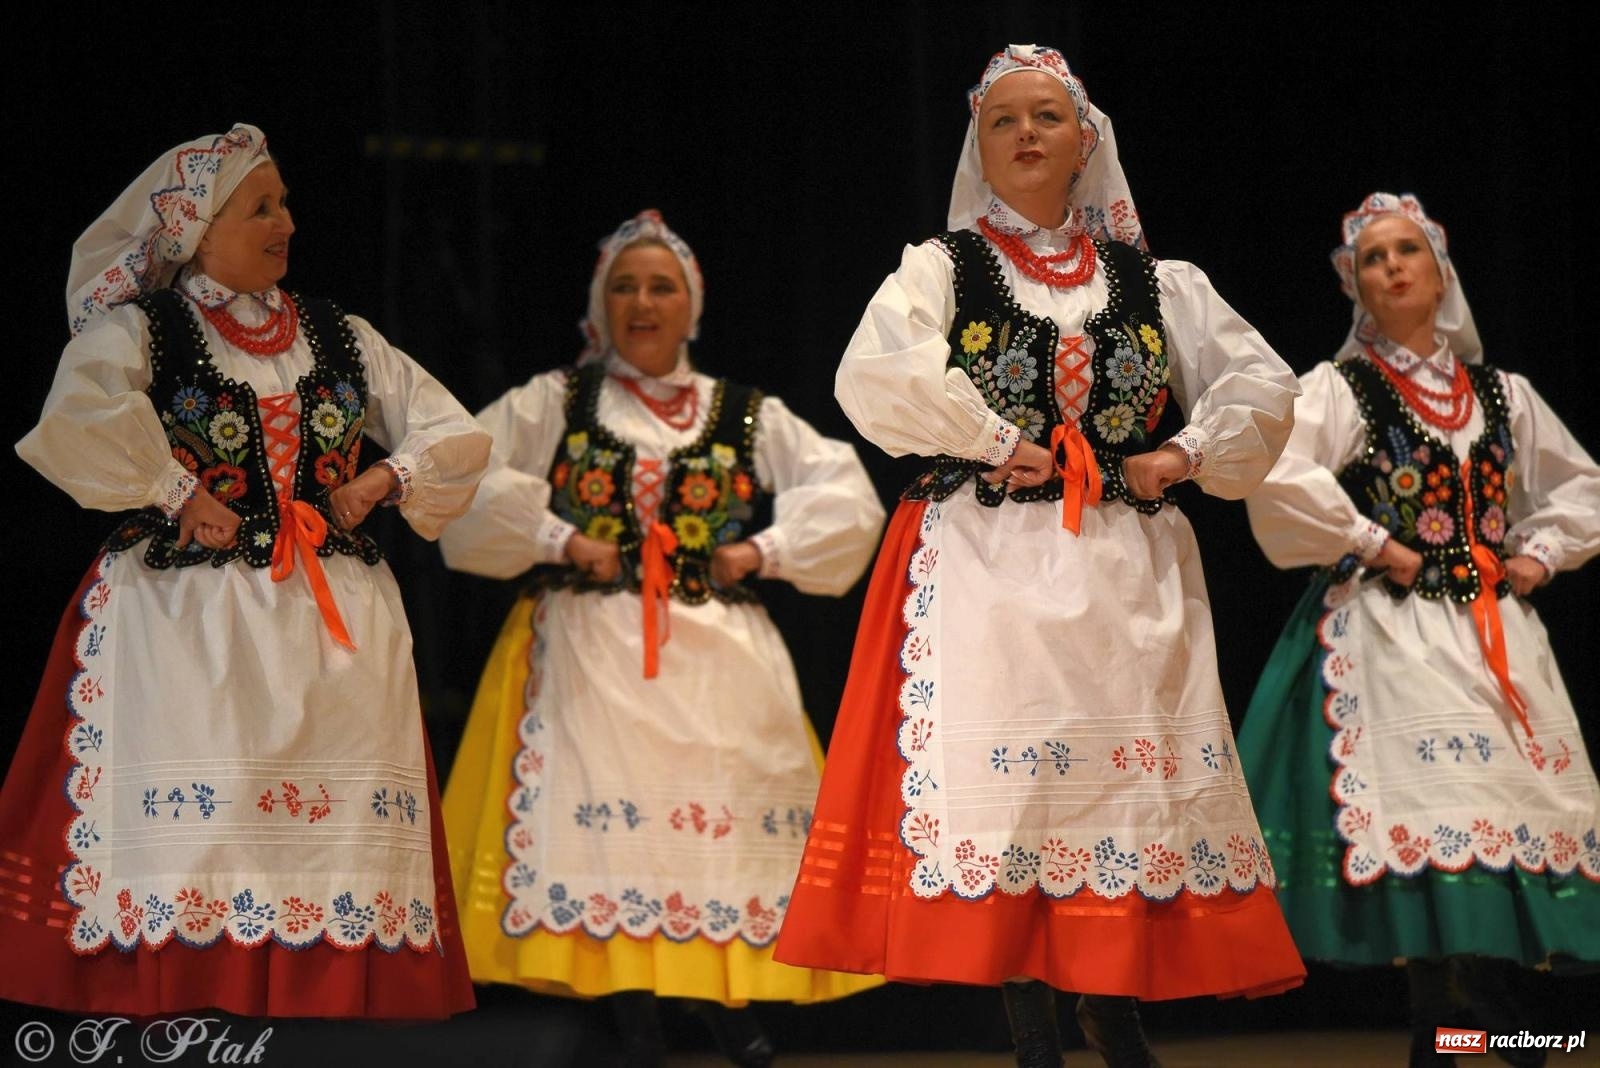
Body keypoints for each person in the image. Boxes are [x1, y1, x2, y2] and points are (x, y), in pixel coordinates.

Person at [771, 43, 1306, 1068]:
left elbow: (1263, 386)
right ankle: (1029, 1025)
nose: (1025, 134)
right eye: (1003, 118)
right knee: (1010, 787)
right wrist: (990, 441)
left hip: (1119, 565)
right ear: (980, 141)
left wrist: (1179, 454)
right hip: (986, 552)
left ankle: (1113, 1004)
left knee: (1117, 785)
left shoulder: (1156, 281)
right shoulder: (939, 267)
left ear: (1083, 142)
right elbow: (876, 372)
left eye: (1046, 117)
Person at [0, 125, 490, 1019]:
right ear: (195, 229)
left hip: (330, 624)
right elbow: (77, 416)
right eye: (260, 207)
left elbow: (451, 428)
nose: (286, 222)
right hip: (189, 618)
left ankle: (305, 1016)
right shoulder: (144, 331)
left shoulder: (341, 335)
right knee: (206, 831)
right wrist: (174, 489)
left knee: (317, 843)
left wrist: (385, 477)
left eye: (286, 203)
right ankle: (189, 1000)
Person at [438, 210, 885, 1066]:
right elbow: (463, 472)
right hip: (590, 642)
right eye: (625, 287)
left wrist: (759, 550)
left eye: (661, 286)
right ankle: (637, 1016)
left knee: (720, 826)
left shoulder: (742, 412)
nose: (643, 302)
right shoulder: (557, 401)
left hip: (716, 654)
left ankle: (724, 1009)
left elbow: (845, 494)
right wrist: (561, 540)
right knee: (610, 832)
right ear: (600, 305)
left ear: (693, 305)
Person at [1238, 192, 1600, 1066]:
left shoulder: (1502, 395)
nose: (1393, 266)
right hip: (1391, 641)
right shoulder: (1341, 388)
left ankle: (1510, 1035)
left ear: (1443, 274)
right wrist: (1375, 543)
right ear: (1356, 286)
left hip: (1495, 639)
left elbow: (1580, 488)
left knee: (1515, 828)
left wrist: (1538, 556)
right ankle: (1454, 1036)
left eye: (1409, 251)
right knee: (1437, 859)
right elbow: (1277, 474)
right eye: (1373, 257)